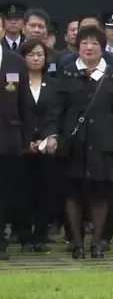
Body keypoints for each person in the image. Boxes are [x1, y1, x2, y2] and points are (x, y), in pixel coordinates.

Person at [42, 25, 113, 259]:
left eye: (94, 44)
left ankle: (98, 242)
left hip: (104, 144)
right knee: (73, 195)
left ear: (102, 48)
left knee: (101, 195)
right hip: (73, 144)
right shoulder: (68, 72)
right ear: (77, 47)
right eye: (84, 43)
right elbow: (55, 111)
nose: (89, 48)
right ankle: (77, 242)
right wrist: (52, 135)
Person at [14, 38, 58, 253]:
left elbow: (55, 115)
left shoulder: (53, 84)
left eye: (39, 54)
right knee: (22, 193)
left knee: (45, 192)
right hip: (20, 147)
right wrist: (25, 141)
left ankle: (40, 235)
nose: (35, 58)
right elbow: (14, 114)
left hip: (46, 148)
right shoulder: (13, 84)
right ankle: (23, 236)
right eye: (31, 54)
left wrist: (47, 138)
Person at [0, 40, 30, 260]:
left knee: (4, 194)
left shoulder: (16, 62)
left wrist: (25, 138)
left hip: (8, 138)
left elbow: (24, 103)